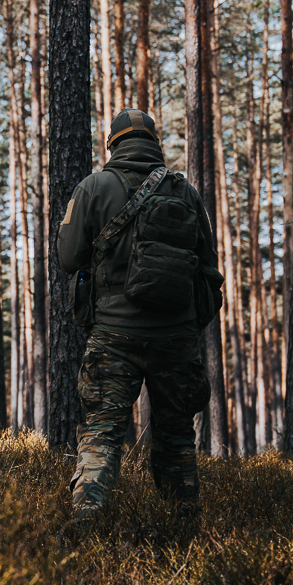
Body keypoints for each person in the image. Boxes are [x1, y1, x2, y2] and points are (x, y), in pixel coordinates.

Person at [56, 109, 223, 538]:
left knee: (102, 434)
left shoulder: (93, 187)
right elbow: (208, 268)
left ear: (113, 143)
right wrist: (187, 326)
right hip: (175, 338)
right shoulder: (185, 191)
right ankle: (186, 534)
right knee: (176, 439)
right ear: (154, 142)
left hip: (112, 336)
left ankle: (87, 526)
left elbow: (68, 259)